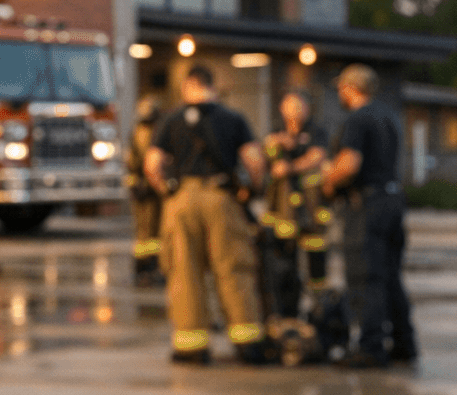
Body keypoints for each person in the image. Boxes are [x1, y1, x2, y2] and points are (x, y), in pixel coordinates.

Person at [144, 64, 269, 365]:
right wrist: (251, 191)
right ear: (212, 85)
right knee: (234, 268)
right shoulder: (233, 118)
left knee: (184, 271)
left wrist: (166, 191)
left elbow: (152, 163)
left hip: (182, 201)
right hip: (221, 198)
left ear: (188, 86)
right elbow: (254, 162)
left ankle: (191, 346)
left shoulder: (171, 120)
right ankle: (247, 343)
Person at [322, 63, 417, 368]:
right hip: (392, 200)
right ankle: (404, 342)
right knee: (390, 276)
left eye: (340, 88)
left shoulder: (357, 120)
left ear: (350, 88)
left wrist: (328, 179)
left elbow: (349, 163)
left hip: (367, 206)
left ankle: (370, 346)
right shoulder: (388, 117)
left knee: (365, 277)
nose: (339, 92)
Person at [261, 90, 329, 316]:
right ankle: (287, 309)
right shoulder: (275, 132)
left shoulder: (315, 132)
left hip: (311, 210)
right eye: (289, 106)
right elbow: (267, 154)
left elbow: (317, 157)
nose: (293, 111)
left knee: (316, 260)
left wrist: (290, 167)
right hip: (283, 210)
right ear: (282, 109)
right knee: (284, 262)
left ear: (307, 109)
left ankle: (320, 307)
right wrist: (275, 145)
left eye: (298, 106)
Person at [126, 95, 165, 287]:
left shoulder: (137, 132)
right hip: (151, 190)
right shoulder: (155, 132)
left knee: (146, 232)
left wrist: (134, 184)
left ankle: (145, 269)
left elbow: (131, 162)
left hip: (146, 190)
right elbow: (133, 162)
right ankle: (148, 269)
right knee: (151, 232)